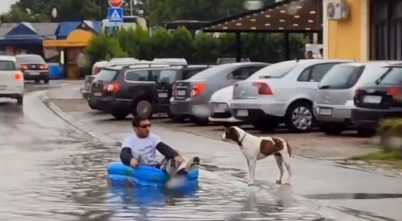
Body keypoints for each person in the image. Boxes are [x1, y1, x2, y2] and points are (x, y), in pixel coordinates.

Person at [119, 116, 197, 175]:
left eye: (149, 125)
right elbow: (124, 153)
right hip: (140, 166)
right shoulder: (129, 140)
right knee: (143, 157)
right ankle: (172, 169)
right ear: (135, 128)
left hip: (153, 165)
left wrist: (175, 156)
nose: (148, 128)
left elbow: (163, 148)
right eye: (144, 126)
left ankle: (182, 167)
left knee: (176, 153)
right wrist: (130, 159)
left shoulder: (153, 138)